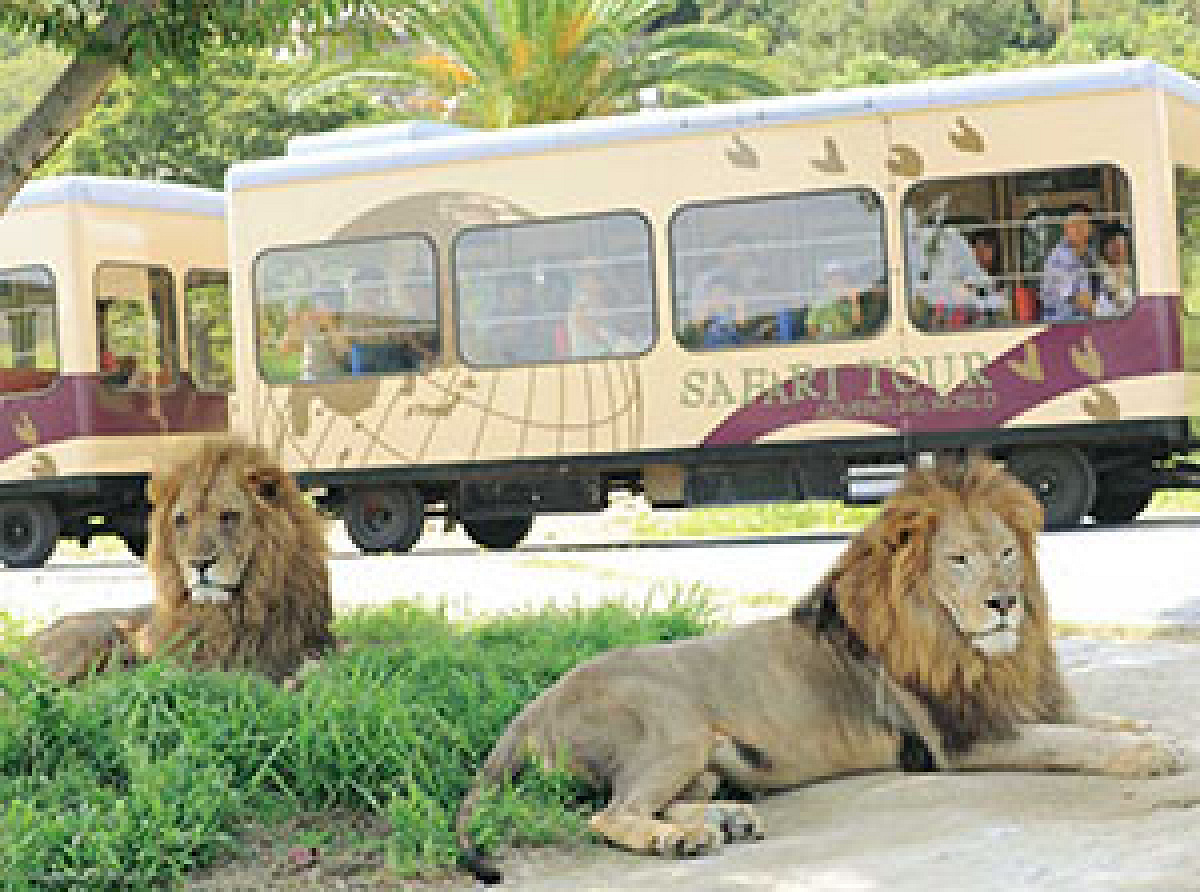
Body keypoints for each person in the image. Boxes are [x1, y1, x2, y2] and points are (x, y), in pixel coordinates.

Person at [1039, 202, 1101, 321]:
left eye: (1082, 224)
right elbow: (1080, 300)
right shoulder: (1057, 258)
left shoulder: (1091, 254)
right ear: (1065, 228)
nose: (1078, 229)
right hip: (1061, 325)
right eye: (1073, 225)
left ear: (1091, 228)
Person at [280, 280, 349, 379]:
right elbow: (285, 349)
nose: (321, 306)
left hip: (333, 378)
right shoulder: (308, 321)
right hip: (309, 376)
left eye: (327, 302)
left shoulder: (343, 325)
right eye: (318, 301)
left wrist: (330, 325)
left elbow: (343, 354)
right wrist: (292, 324)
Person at [806, 261, 862, 339]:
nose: (836, 281)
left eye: (840, 277)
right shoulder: (819, 302)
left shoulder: (850, 299)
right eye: (832, 277)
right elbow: (812, 328)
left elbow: (857, 323)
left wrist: (854, 301)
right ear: (826, 281)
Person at [1095, 223, 1135, 317]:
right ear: (1104, 249)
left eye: (1121, 244)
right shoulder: (1096, 276)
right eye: (1113, 244)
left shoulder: (1135, 274)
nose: (1118, 249)